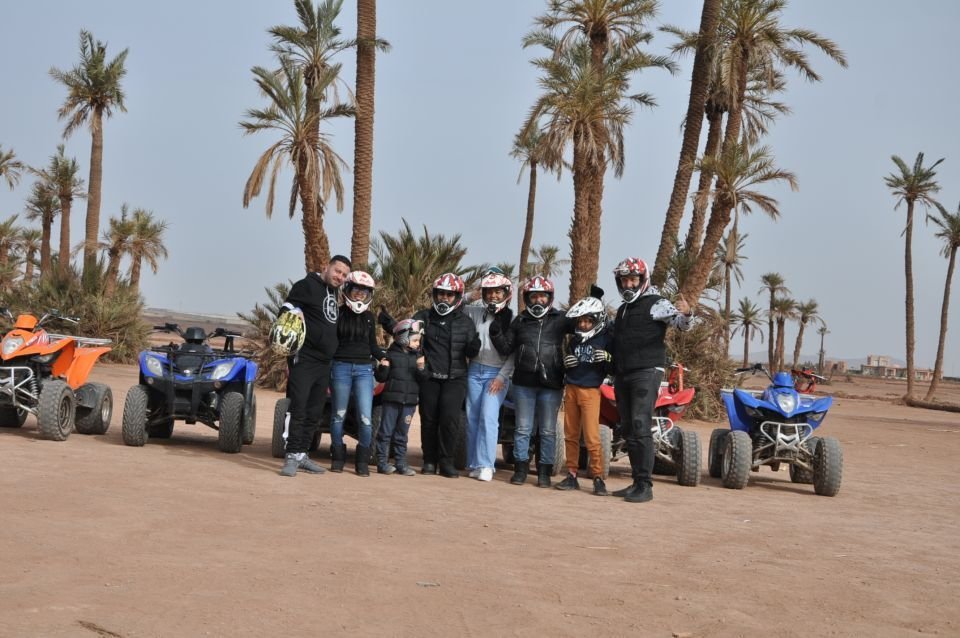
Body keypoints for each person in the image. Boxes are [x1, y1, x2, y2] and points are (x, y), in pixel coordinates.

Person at [608, 257, 693, 502]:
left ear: (642, 279)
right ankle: (636, 482)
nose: (628, 284)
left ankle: (645, 486)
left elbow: (681, 324)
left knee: (639, 423)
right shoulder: (623, 309)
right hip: (623, 373)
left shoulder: (657, 303)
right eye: (624, 280)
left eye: (633, 280)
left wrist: (687, 314)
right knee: (627, 426)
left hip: (646, 371)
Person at [276, 254, 351, 477]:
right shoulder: (306, 285)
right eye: (337, 271)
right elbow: (285, 309)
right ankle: (291, 456)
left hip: (324, 363)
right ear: (326, 267)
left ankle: (302, 454)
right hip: (304, 359)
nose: (340, 277)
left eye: (344, 275)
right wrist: (294, 314)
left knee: (314, 411)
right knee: (298, 408)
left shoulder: (333, 292)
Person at [490, 275, 569, 488]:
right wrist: (495, 331)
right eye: (534, 296)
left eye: (543, 296)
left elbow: (583, 327)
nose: (538, 300)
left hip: (552, 384)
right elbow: (506, 348)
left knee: (548, 430)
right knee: (523, 429)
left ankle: (544, 472)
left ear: (550, 297)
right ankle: (520, 469)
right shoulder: (520, 321)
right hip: (523, 383)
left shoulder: (561, 319)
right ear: (527, 298)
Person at [412, 273, 481, 477]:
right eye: (441, 293)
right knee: (429, 420)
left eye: (449, 295)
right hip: (429, 378)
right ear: (435, 295)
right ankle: (429, 461)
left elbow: (470, 352)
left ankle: (446, 462)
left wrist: (474, 347)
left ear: (457, 297)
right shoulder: (423, 316)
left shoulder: (466, 322)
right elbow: (409, 340)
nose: (444, 298)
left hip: (455, 379)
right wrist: (421, 366)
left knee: (450, 421)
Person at [554, 293, 613, 496]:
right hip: (571, 389)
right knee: (570, 435)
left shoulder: (605, 339)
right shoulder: (574, 341)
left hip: (591, 391)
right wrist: (566, 364)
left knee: (591, 436)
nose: (584, 325)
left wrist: (607, 358)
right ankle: (572, 474)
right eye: (580, 321)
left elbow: (612, 367)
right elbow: (567, 364)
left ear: (597, 320)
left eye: (588, 321)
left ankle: (598, 477)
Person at [328, 270, 386, 476]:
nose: (360, 293)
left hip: (364, 370)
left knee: (365, 418)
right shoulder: (337, 313)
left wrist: (384, 357)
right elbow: (330, 342)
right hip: (340, 367)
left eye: (365, 291)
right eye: (356, 289)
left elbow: (372, 346)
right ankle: (337, 457)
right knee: (338, 415)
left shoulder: (369, 318)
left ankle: (362, 461)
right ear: (348, 289)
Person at [462, 269, 515, 482]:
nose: (493, 296)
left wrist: (502, 377)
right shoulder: (475, 312)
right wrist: (470, 295)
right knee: (472, 419)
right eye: (489, 292)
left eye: (497, 292)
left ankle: (486, 465)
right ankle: (474, 463)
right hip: (475, 370)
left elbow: (512, 354)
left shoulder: (512, 319)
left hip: (497, 374)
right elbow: (455, 305)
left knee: (488, 417)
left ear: (506, 293)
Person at [374, 319, 427, 476]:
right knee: (385, 432)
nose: (418, 344)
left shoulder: (418, 357)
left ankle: (401, 463)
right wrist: (383, 368)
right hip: (391, 401)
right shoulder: (390, 355)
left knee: (402, 435)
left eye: (418, 341)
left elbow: (424, 379)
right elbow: (381, 378)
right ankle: (382, 462)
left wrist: (421, 368)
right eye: (415, 340)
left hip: (409, 402)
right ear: (404, 338)